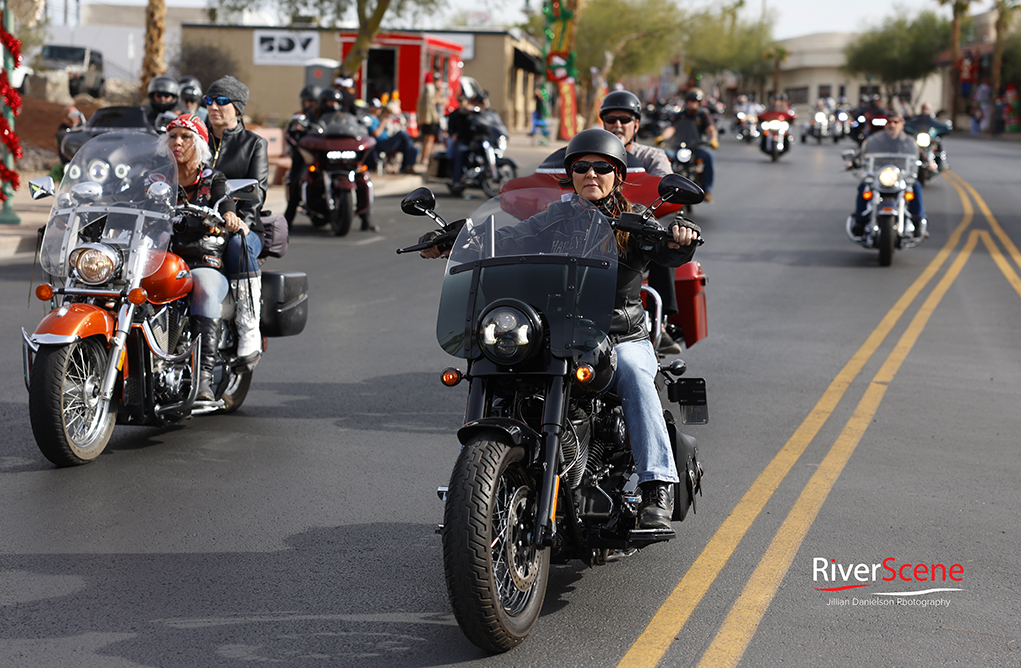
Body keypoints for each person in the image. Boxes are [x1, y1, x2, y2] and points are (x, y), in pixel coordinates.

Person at [423, 128, 701, 530]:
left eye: (602, 167)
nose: (592, 173)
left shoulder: (637, 223)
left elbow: (668, 250)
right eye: (581, 167)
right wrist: (458, 239)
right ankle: (476, 491)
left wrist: (680, 237)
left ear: (618, 175)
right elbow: (505, 238)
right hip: (558, 330)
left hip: (618, 335)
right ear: (569, 174)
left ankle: (657, 483)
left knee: (637, 376)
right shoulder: (554, 218)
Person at [158, 114, 239, 401]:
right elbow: (130, 199)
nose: (177, 142)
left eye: (186, 136)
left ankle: (203, 380)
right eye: (173, 136)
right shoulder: (157, 178)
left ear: (200, 143)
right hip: (160, 259)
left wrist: (228, 214)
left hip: (202, 260)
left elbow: (224, 199)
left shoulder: (212, 178)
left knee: (202, 285)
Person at [599, 89, 681, 355]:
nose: (618, 125)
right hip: (591, 225)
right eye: (611, 119)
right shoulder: (591, 151)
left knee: (660, 242)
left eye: (625, 119)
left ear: (636, 123)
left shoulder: (652, 156)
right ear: (603, 122)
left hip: (634, 229)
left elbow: (664, 190)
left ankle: (662, 322)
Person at [204, 75, 268, 369]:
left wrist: (240, 220)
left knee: (238, 247)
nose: (214, 107)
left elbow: (257, 194)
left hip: (241, 227)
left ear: (237, 107)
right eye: (209, 101)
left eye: (222, 101)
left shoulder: (253, 144)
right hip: (196, 223)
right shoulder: (193, 139)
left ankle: (248, 327)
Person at [847, 111, 935, 237]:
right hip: (880, 174)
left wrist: (929, 163)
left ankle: (917, 223)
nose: (892, 125)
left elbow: (921, 155)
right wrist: (853, 162)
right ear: (885, 125)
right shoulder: (876, 139)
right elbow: (863, 153)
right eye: (889, 122)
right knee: (864, 187)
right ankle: (860, 221)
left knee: (916, 187)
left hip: (901, 175)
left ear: (901, 125)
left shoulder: (909, 142)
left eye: (895, 122)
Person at [657, 89, 718, 202]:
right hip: (678, 148)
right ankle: (664, 190)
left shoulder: (703, 114)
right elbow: (671, 128)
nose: (693, 103)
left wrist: (713, 139)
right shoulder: (680, 115)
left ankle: (707, 190)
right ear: (686, 102)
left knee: (709, 156)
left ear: (700, 103)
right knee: (665, 156)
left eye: (696, 101)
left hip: (696, 148)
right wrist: (662, 137)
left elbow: (711, 129)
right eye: (691, 101)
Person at [283, 85, 323, 226]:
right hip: (304, 155)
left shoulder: (324, 116)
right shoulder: (300, 115)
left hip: (322, 155)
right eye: (308, 102)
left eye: (313, 102)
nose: (310, 105)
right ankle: (288, 218)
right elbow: (289, 134)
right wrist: (298, 136)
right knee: (296, 180)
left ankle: (366, 218)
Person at [364, 100, 419, 174]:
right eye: (377, 108)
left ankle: (407, 167)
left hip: (388, 141)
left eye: (380, 108)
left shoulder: (377, 118)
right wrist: (382, 123)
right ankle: (407, 164)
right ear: (372, 108)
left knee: (413, 149)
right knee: (402, 134)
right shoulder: (368, 119)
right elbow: (376, 134)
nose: (380, 110)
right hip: (380, 144)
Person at [446, 94, 474, 188]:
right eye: (460, 101)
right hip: (461, 141)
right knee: (459, 154)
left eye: (464, 101)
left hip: (473, 140)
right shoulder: (454, 115)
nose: (462, 103)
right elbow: (450, 130)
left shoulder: (471, 114)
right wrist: (453, 135)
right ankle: (456, 180)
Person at [417, 71, 441, 169]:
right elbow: (432, 101)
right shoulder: (431, 88)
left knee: (426, 140)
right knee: (429, 140)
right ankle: (425, 159)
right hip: (430, 118)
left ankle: (424, 158)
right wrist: (440, 93)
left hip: (425, 118)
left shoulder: (426, 88)